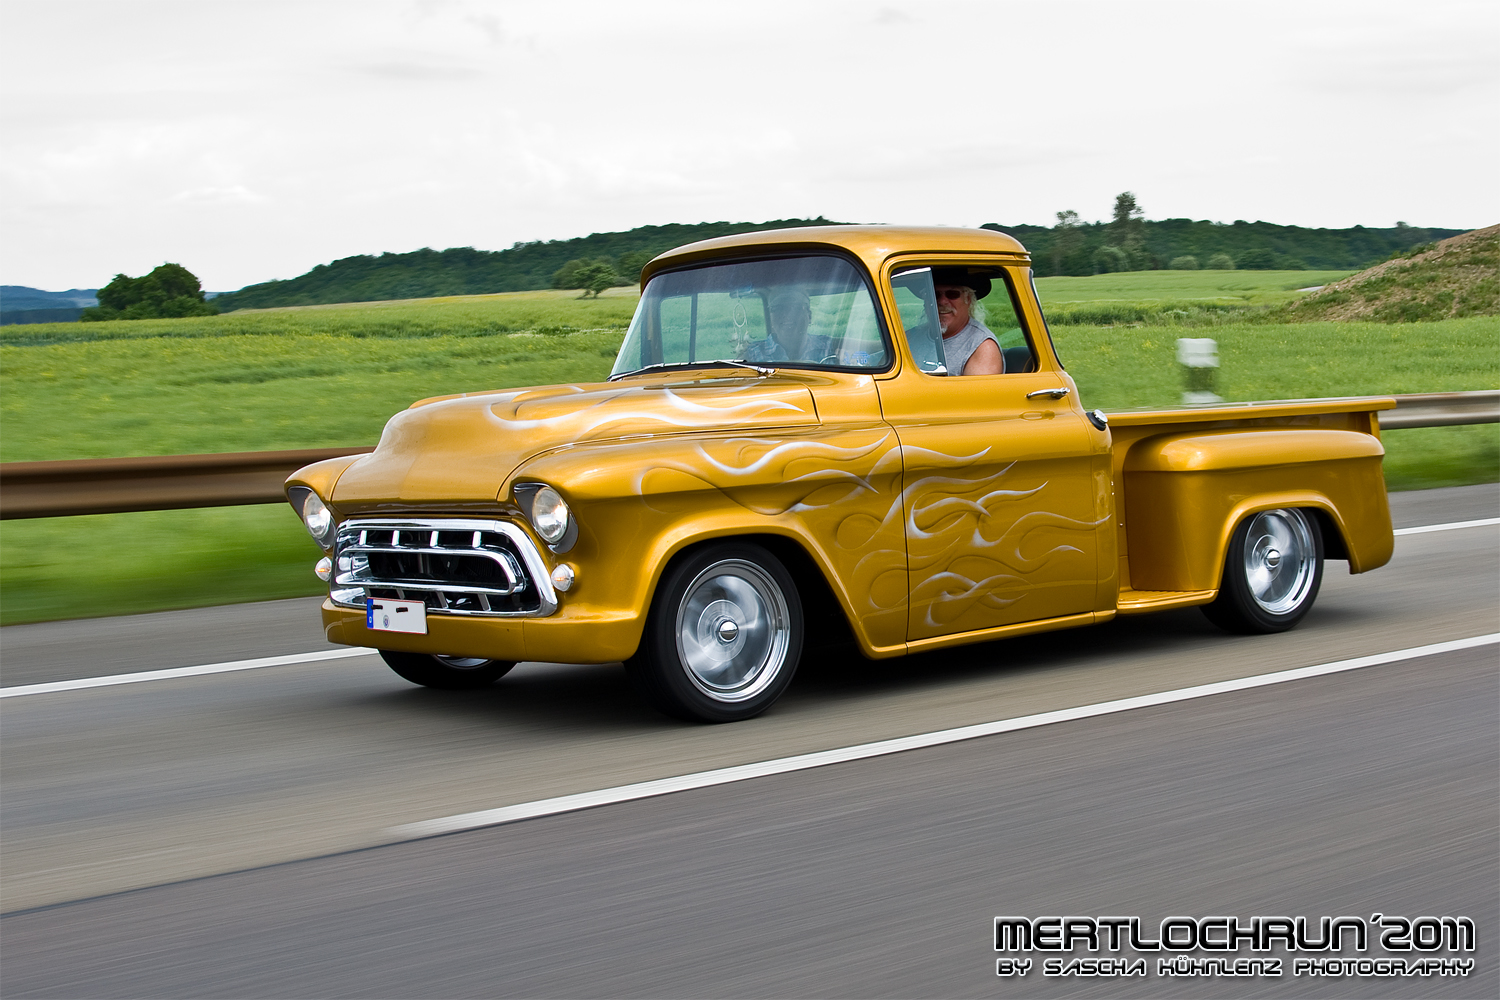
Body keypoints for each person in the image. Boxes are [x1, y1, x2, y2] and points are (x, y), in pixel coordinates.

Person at [931, 268, 1003, 375]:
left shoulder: (983, 348)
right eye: (935, 294)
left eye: (952, 294)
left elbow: (979, 392)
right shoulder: (910, 338)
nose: (942, 301)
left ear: (968, 299)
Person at [743, 288, 834, 363]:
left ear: (809, 315)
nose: (786, 315)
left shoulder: (830, 347)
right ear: (770, 318)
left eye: (794, 307)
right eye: (778, 308)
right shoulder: (752, 355)